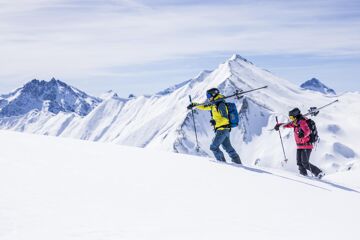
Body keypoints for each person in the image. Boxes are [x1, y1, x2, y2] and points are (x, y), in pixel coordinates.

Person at [187, 88, 241, 164]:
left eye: (209, 95)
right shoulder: (214, 104)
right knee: (228, 148)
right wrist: (194, 105)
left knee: (213, 147)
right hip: (223, 129)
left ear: (213, 94)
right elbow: (204, 107)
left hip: (223, 129)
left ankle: (222, 164)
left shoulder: (220, 104)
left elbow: (225, 118)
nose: (208, 97)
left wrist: (215, 121)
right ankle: (238, 164)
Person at [275, 107, 324, 178]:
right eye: (290, 118)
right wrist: (279, 125)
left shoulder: (302, 121)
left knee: (305, 163)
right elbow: (288, 124)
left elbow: (308, 131)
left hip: (306, 145)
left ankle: (319, 173)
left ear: (295, 115)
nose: (291, 119)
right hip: (299, 146)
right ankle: (304, 176)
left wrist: (303, 134)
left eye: (292, 117)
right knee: (299, 163)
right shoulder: (296, 122)